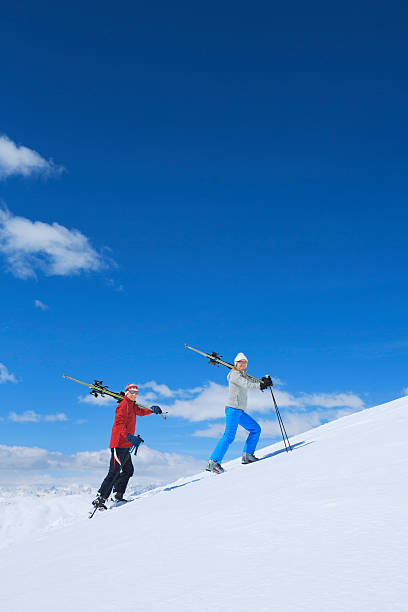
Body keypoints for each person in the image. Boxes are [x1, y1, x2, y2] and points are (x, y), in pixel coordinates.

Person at [92, 382, 162, 509]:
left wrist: (151, 410)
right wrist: (129, 437)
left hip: (126, 445)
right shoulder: (122, 406)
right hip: (118, 443)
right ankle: (100, 498)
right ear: (127, 393)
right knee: (114, 471)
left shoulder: (132, 405)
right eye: (133, 392)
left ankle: (117, 495)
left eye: (137, 392)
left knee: (128, 470)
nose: (135, 395)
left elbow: (140, 412)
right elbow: (119, 425)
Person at [207, 352, 272, 474]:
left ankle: (247, 455)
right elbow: (247, 384)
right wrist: (261, 386)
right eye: (240, 362)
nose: (243, 364)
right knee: (229, 436)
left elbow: (251, 380)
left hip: (239, 411)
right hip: (232, 409)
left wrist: (262, 381)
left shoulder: (243, 374)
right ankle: (213, 463)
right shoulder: (234, 375)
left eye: (245, 362)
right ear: (236, 363)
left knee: (255, 429)